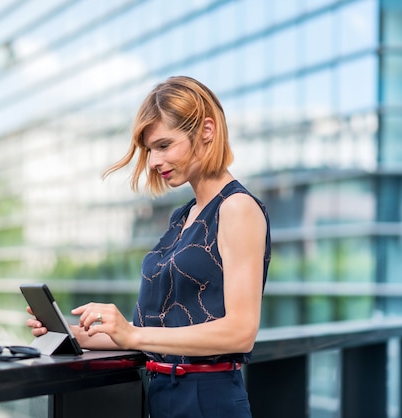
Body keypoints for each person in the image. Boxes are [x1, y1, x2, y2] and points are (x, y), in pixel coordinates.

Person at [26, 75, 271, 418]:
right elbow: (154, 333)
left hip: (208, 400)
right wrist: (70, 335)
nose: (154, 161)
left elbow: (241, 332)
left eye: (163, 145)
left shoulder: (237, 208)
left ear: (206, 131)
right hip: (162, 395)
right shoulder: (182, 217)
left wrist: (132, 335)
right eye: (150, 150)